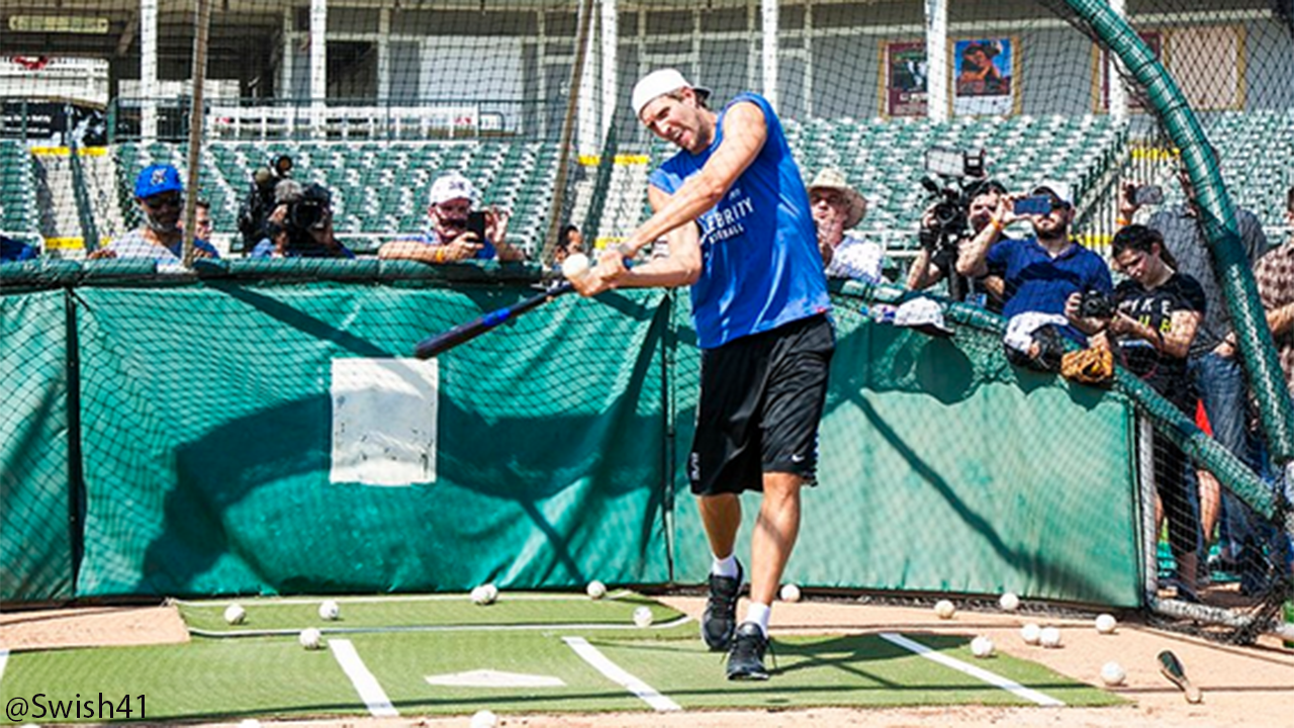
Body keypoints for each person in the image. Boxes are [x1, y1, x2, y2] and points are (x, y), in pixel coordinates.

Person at [568, 68, 833, 681]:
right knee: (712, 487)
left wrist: (624, 245)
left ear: (689, 96)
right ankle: (724, 571)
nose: (664, 129)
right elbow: (686, 264)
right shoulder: (666, 181)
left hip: (797, 325)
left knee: (782, 481)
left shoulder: (748, 115)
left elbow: (716, 185)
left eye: (666, 113)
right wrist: (614, 277)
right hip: (725, 340)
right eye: (651, 125)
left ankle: (755, 627)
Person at [1120, 155, 1271, 592]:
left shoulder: (1240, 221)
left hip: (1218, 352)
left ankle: (1248, 559)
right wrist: (1128, 213)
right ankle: (1194, 564)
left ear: (1215, 172)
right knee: (1174, 464)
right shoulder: (1164, 221)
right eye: (1184, 171)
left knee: (1231, 458)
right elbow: (1136, 270)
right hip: (1169, 358)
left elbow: (1256, 287)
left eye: (1198, 170)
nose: (1190, 178)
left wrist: (1231, 341)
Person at [1077, 224, 1205, 600]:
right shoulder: (1124, 292)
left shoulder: (1184, 287)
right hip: (1128, 394)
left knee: (1172, 486)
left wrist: (1135, 326)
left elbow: (1180, 345)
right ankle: (1138, 576)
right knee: (1131, 485)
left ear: (1154, 249)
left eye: (1136, 262)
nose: (1133, 271)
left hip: (1169, 393)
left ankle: (1189, 583)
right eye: (1125, 266)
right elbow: (1101, 337)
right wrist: (1086, 323)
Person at [958, 180, 1111, 368]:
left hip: (1065, 360)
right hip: (1010, 358)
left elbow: (1102, 323)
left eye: (1053, 206)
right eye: (1037, 206)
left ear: (1070, 214)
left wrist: (1079, 321)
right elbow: (966, 266)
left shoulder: (1092, 262)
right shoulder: (1012, 250)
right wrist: (998, 221)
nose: (1045, 213)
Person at [377, 173, 525, 264]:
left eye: (462, 209)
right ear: (432, 212)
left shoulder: (479, 246)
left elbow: (519, 258)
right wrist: (444, 254)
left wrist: (499, 244)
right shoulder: (422, 243)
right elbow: (386, 250)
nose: (455, 216)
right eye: (447, 208)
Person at [907, 178, 1009, 309]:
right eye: (977, 208)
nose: (984, 213)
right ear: (967, 212)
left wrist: (979, 270)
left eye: (991, 209)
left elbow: (1012, 296)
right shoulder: (956, 245)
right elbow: (915, 284)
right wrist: (928, 243)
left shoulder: (1012, 248)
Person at [90, 164, 219, 263]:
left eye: (173, 201)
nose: (166, 210)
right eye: (155, 204)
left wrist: (210, 268)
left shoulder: (202, 249)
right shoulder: (121, 250)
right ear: (139, 202)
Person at [808, 168, 884, 283]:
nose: (822, 205)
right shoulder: (793, 245)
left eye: (832, 200)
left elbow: (870, 277)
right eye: (816, 199)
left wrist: (832, 260)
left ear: (846, 212)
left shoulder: (866, 249)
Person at [248, 180, 354, 259]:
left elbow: (351, 267)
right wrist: (279, 248)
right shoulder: (267, 248)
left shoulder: (324, 250)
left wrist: (332, 245)